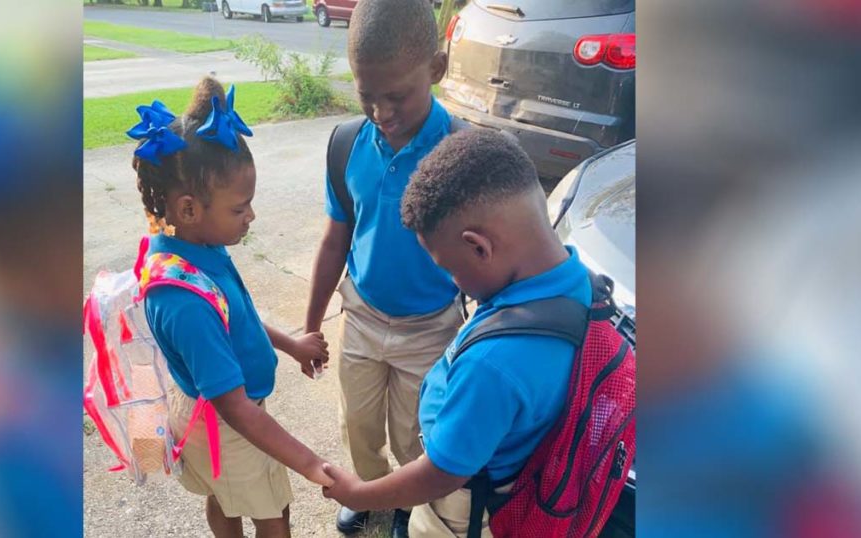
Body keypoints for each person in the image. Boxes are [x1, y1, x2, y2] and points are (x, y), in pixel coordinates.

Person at [322, 129, 592, 538]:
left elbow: (442, 474)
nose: (455, 282)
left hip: (462, 510)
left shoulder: (494, 366)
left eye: (450, 268)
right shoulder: (579, 282)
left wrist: (361, 494)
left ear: (480, 247)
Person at [132, 76, 333, 538]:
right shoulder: (183, 303)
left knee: (221, 496)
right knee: (274, 515)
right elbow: (238, 409)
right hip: (229, 426)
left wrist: (291, 344)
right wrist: (310, 463)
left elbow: (237, 315)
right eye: (240, 209)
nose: (251, 217)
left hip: (205, 411)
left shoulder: (195, 248)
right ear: (188, 209)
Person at [302, 1, 466, 536]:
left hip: (431, 328)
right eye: (365, 94)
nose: (381, 111)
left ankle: (416, 508)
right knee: (360, 425)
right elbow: (335, 238)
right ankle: (376, 498)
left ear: (436, 71)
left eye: (396, 95)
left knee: (416, 436)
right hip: (364, 318)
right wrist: (310, 324)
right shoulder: (348, 144)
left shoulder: (462, 153)